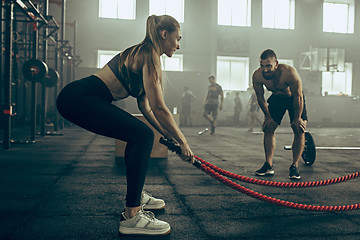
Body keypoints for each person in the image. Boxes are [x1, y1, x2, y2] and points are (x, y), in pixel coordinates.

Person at [56, 15, 194, 236]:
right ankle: (131, 215)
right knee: (142, 135)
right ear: (164, 34)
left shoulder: (146, 54)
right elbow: (160, 107)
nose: (179, 45)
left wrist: (168, 136)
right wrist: (183, 142)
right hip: (80, 97)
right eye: (177, 38)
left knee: (141, 134)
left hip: (83, 98)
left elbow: (147, 108)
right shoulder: (149, 53)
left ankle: (135, 196)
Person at [252, 49, 307, 180]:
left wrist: (298, 118)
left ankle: (294, 166)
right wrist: (268, 117)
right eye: (262, 66)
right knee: (268, 128)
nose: (265, 69)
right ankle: (268, 165)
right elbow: (260, 98)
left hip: (293, 98)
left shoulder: (289, 72)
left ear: (276, 64)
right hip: (277, 98)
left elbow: (298, 97)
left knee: (299, 129)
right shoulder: (257, 76)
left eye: (268, 66)